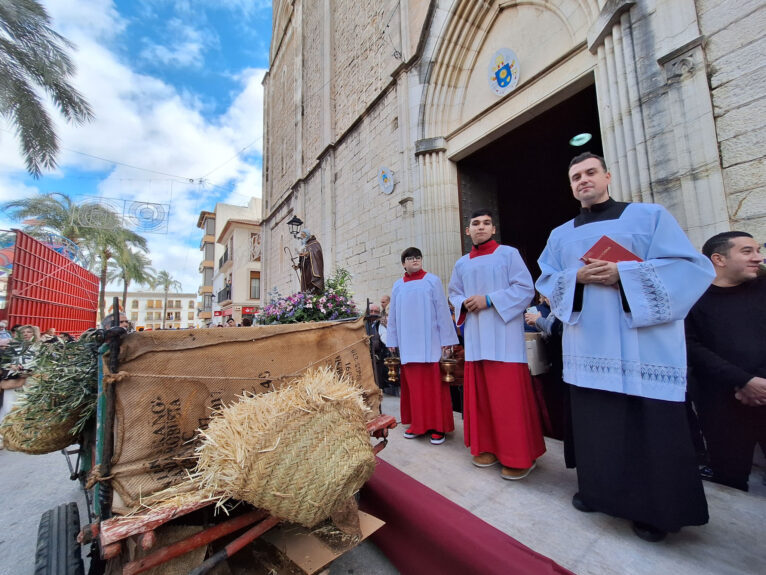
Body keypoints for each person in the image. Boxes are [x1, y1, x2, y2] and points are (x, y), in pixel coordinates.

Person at [536, 152, 714, 541]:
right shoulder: (560, 234)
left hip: (642, 345)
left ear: (607, 176)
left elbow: (693, 268)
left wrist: (625, 273)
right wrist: (576, 276)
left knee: (645, 428)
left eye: (590, 173)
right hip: (588, 347)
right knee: (598, 427)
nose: (583, 180)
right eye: (575, 176)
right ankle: (598, 492)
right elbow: (547, 280)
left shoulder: (648, 216)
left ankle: (654, 511)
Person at [448, 210, 545, 479]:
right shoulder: (461, 264)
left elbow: (525, 288)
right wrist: (462, 303)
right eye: (475, 224)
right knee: (484, 401)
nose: (481, 227)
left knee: (508, 400)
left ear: (493, 229)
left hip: (504, 340)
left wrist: (489, 300)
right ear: (468, 231)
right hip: (477, 340)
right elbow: (454, 293)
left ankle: (519, 455)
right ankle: (488, 446)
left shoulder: (508, 254)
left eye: (486, 223)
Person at [685, 231, 766, 491]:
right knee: (730, 479)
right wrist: (742, 380)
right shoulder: (690, 298)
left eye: (757, 250)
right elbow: (690, 346)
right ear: (718, 259)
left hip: (764, 391)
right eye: (747, 251)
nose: (758, 257)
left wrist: (758, 383)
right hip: (720, 403)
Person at [388, 247, 459, 445]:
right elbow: (392, 316)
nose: (415, 260)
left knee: (433, 388)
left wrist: (447, 341)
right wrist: (392, 341)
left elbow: (443, 312)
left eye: (418, 257)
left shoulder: (432, 281)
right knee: (415, 389)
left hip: (431, 344)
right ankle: (418, 425)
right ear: (403, 263)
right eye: (410, 258)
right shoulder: (398, 286)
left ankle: (438, 427)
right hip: (408, 346)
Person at [296, 228, 324, 294]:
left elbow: (317, 253)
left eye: (303, 235)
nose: (302, 237)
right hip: (305, 269)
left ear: (307, 235)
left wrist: (308, 253)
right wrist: (298, 266)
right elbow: (302, 259)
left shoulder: (314, 243)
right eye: (301, 236)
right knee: (306, 286)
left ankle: (314, 295)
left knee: (312, 284)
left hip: (312, 268)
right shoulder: (304, 245)